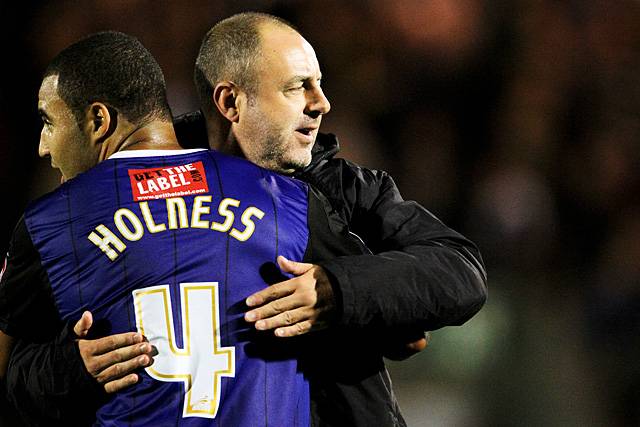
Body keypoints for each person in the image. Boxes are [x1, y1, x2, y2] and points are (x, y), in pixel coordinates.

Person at [4, 12, 488, 427]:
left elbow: (456, 274)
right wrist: (71, 368)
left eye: (318, 84)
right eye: (298, 86)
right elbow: (17, 367)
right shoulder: (102, 200)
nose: (321, 103)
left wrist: (337, 289)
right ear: (230, 102)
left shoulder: (334, 189)